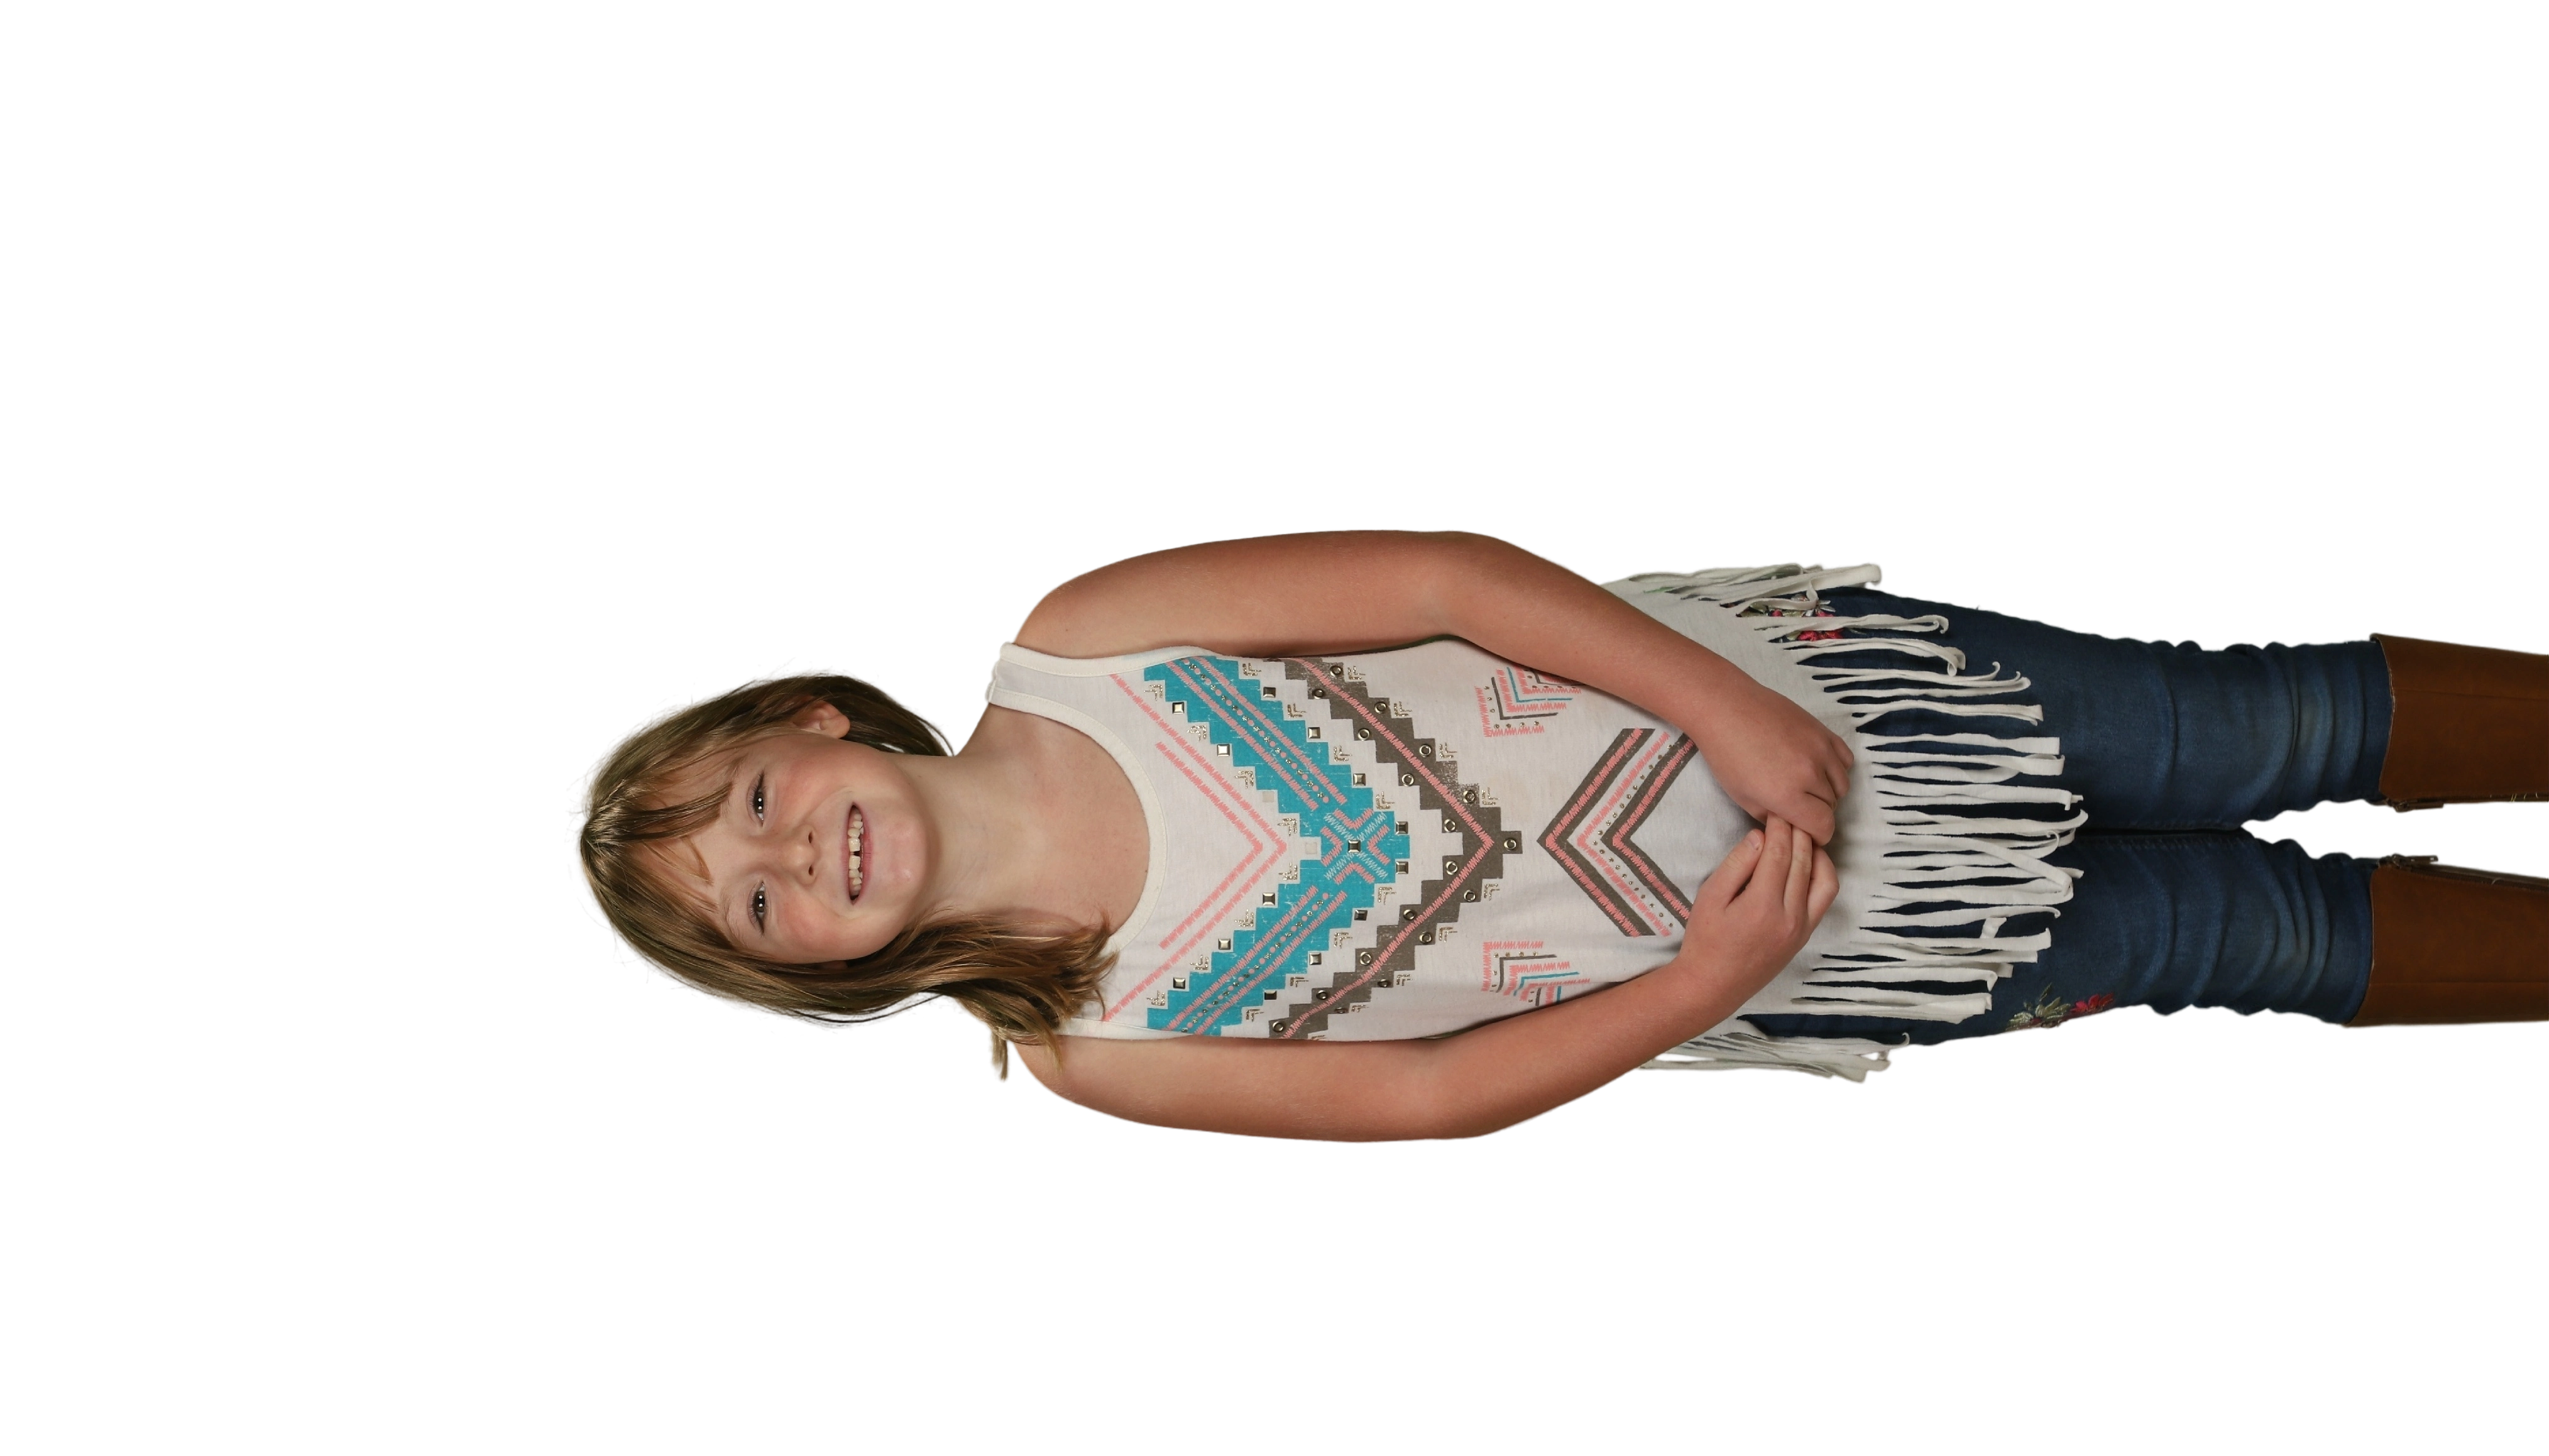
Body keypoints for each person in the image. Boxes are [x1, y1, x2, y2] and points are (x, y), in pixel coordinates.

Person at [561, 529, 2549, 1144]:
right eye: (757, 908)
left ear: (811, 720)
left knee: (2262, 718)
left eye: (759, 806)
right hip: (1843, 940)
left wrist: (1730, 707)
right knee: (2255, 943)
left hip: (1845, 701)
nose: (797, 857)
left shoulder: (1085, 643)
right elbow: (1425, 1097)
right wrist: (1709, 981)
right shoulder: (1094, 1043)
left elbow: (1446, 580)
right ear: (805, 982)